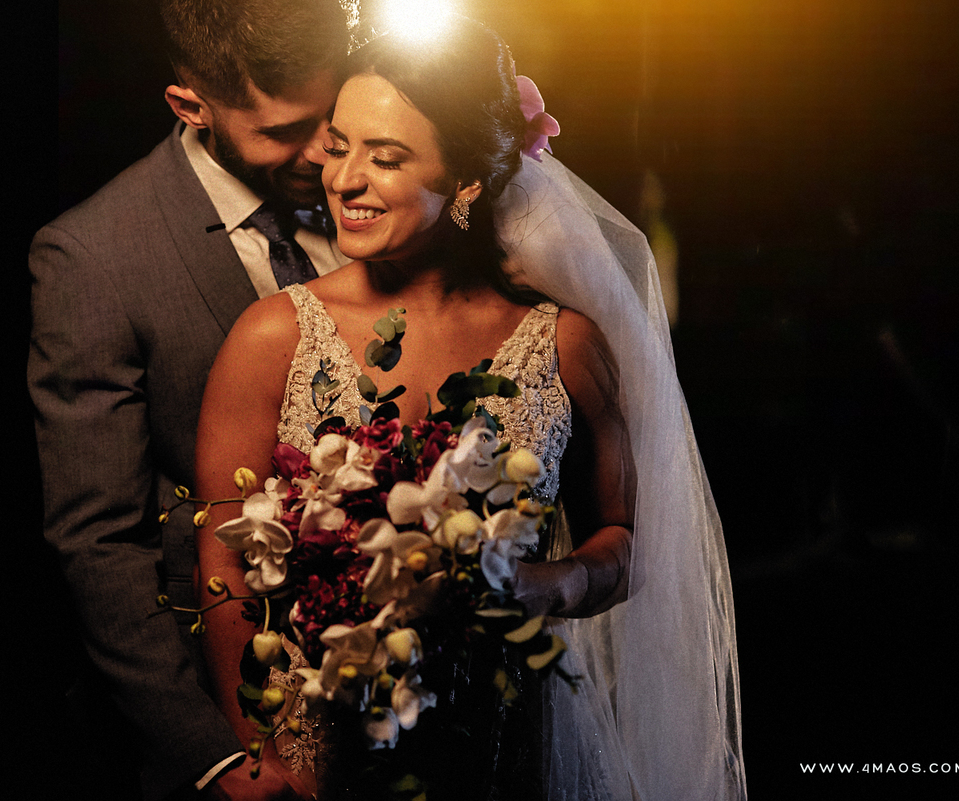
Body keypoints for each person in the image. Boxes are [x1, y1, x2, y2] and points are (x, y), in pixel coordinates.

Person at [195, 14, 745, 801]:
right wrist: (260, 752)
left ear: (466, 183)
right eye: (339, 143)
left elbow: (627, 537)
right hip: (319, 748)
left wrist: (544, 584)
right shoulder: (273, 336)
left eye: (385, 158)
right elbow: (223, 549)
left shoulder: (563, 345)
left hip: (510, 739)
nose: (344, 179)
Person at [28, 2, 349, 798]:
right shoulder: (93, 256)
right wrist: (209, 756)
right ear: (190, 107)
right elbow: (98, 540)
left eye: (328, 114)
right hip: (225, 695)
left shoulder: (375, 186)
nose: (321, 153)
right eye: (282, 132)